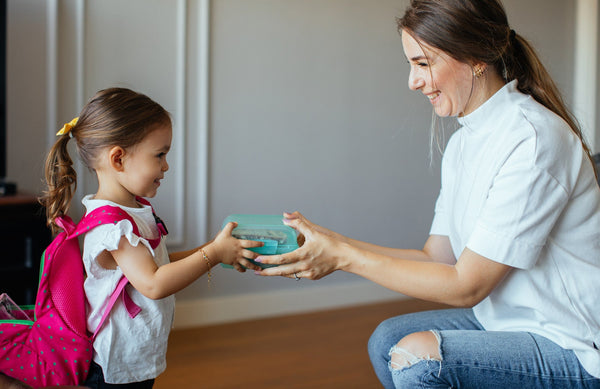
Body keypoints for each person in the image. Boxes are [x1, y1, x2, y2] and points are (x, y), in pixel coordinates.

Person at [254, 0, 600, 387]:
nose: (413, 81)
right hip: (507, 322)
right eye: (411, 65)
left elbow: (467, 285)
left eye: (424, 63)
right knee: (387, 339)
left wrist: (345, 259)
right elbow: (437, 257)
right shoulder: (464, 144)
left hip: (574, 345)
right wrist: (333, 243)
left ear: (476, 56)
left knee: (418, 359)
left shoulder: (532, 140)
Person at [40, 88, 262, 389]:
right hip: (114, 366)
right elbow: (154, 283)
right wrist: (214, 254)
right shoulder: (112, 226)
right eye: (160, 155)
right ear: (118, 159)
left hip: (134, 356)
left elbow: (160, 263)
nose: (166, 165)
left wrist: (216, 249)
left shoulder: (131, 210)